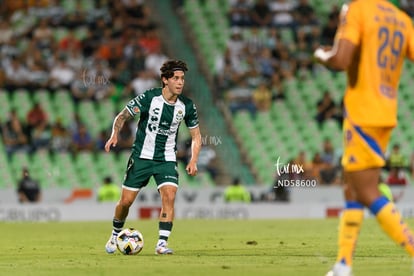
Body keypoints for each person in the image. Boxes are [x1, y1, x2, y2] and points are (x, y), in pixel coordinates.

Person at [314, 1, 414, 275]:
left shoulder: (358, 9)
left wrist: (321, 55)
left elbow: (341, 59)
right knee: (353, 188)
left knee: (368, 191)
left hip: (362, 113)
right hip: (387, 112)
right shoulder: (401, 19)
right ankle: (343, 265)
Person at [104, 60, 201, 255]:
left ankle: (161, 244)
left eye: (182, 78)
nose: (180, 82)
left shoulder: (187, 106)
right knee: (125, 202)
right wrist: (114, 134)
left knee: (169, 196)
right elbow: (122, 115)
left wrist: (193, 159)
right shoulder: (150, 97)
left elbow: (196, 136)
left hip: (166, 159)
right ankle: (115, 235)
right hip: (141, 157)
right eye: (176, 78)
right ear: (165, 80)